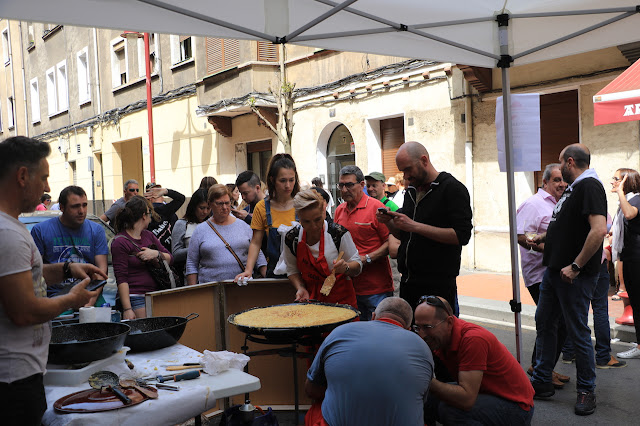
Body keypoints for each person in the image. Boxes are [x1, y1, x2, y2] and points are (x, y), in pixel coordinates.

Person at [0, 136, 105, 426]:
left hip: (20, 374)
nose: (47, 187)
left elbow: (26, 274)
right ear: (22, 176)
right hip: (13, 381)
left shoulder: (11, 225)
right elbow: (23, 311)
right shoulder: (7, 233)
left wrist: (69, 268)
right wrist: (72, 299)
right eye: (44, 177)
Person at [530, 143, 607, 416]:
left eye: (561, 162)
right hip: (553, 271)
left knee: (577, 332)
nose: (560, 168)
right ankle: (541, 380)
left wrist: (576, 266)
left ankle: (587, 390)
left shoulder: (589, 186)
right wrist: (544, 237)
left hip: (573, 275)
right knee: (545, 323)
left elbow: (599, 230)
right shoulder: (576, 188)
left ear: (570, 162)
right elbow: (568, 227)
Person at [305, 297, 433, 426]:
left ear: (373, 316)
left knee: (317, 408)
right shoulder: (422, 347)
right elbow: (419, 399)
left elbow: (311, 390)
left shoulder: (339, 332)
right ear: (408, 329)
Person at [378, 141, 473, 314]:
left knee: (437, 338)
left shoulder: (453, 189)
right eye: (402, 171)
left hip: (438, 286)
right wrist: (389, 222)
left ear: (424, 160)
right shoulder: (412, 190)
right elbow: (403, 234)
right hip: (408, 283)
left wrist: (414, 226)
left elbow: (462, 236)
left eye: (408, 169)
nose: (405, 176)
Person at [416, 296, 535, 425]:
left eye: (427, 327)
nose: (421, 334)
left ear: (449, 322)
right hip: (486, 394)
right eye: (418, 327)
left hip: (517, 407)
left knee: (450, 410)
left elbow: (466, 400)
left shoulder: (473, 339)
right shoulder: (440, 337)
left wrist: (427, 381)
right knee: (427, 397)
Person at [516, 164, 571, 387]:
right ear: (545, 182)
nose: (562, 184)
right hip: (539, 273)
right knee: (552, 323)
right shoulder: (533, 204)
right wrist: (549, 251)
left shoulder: (561, 202)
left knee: (560, 324)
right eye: (557, 180)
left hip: (556, 272)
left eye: (564, 180)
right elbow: (521, 236)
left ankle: (543, 367)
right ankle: (540, 369)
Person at [31, 185, 109, 307]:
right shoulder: (40, 230)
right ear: (61, 207)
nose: (82, 211)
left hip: (90, 295)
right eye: (75, 206)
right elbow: (34, 272)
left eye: (84, 205)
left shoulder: (96, 230)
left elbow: (102, 271)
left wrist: (89, 302)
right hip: (54, 298)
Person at [283, 189, 361, 308]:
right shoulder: (292, 238)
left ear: (324, 211)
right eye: (307, 221)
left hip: (341, 302)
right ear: (299, 217)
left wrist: (346, 267)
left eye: (317, 219)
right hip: (310, 301)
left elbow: (358, 266)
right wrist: (300, 288)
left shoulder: (338, 234)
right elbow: (292, 270)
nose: (313, 226)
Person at [334, 165, 394, 320]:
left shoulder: (377, 207)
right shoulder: (339, 210)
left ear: (361, 185)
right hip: (349, 288)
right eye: (341, 185)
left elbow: (391, 243)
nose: (345, 189)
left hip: (376, 289)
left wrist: (367, 258)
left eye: (349, 185)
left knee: (378, 337)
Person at [235, 153, 300, 281]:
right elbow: (255, 242)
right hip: (275, 275)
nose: (288, 185)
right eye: (283, 180)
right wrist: (248, 270)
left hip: (302, 273)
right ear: (272, 179)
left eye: (291, 180)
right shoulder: (262, 207)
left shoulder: (302, 204)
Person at [187, 184, 266, 284]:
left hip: (241, 287)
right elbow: (191, 264)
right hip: (210, 289)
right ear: (210, 204)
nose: (224, 207)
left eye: (227, 203)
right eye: (219, 204)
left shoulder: (244, 227)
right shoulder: (200, 230)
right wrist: (193, 293)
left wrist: (267, 278)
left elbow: (258, 255)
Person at [111, 195, 173, 320]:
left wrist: (155, 254)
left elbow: (170, 258)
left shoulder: (148, 235)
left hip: (155, 295)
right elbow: (121, 278)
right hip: (135, 297)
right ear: (144, 215)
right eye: (150, 213)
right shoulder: (120, 242)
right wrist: (127, 309)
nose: (151, 217)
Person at [610, 169, 640, 360]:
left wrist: (621, 192)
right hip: (629, 259)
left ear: (626, 182)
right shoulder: (627, 200)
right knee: (636, 304)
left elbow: (630, 215)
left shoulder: (636, 199)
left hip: (637, 260)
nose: (612, 182)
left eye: (616, 179)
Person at [172, 188, 210, 282]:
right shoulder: (182, 224)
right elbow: (176, 254)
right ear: (194, 206)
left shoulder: (212, 223)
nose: (205, 212)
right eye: (202, 208)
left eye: (208, 208)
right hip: (190, 276)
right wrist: (197, 248)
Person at [144, 182, 186, 252]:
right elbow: (180, 199)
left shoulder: (166, 209)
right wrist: (166, 191)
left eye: (159, 192)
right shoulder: (157, 210)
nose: (158, 194)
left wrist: (166, 191)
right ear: (149, 198)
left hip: (171, 250)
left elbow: (181, 198)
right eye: (154, 193)